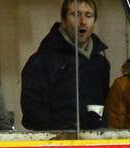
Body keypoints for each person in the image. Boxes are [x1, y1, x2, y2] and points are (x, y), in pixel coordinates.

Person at [20, 0, 110, 131]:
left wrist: (97, 125)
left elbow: (103, 107)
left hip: (94, 140)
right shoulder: (41, 62)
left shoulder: (100, 63)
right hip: (56, 141)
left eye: (89, 16)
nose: (83, 21)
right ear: (63, 21)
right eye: (76, 14)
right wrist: (67, 126)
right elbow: (32, 114)